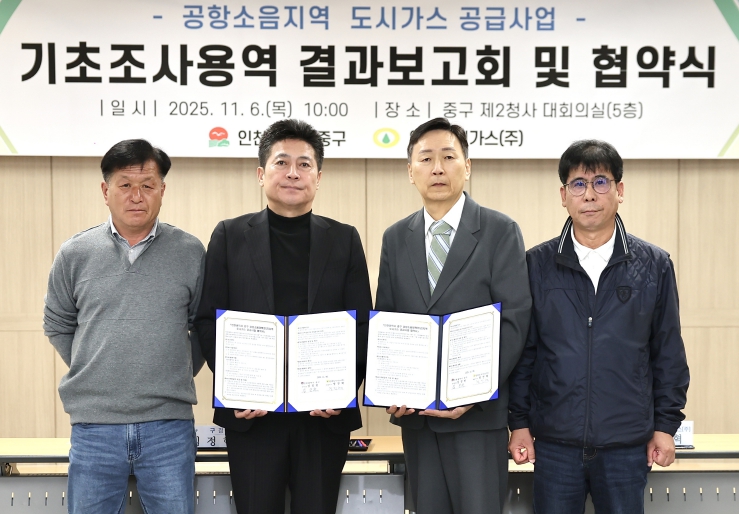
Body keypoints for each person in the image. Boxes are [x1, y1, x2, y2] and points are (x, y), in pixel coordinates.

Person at [194, 119, 372, 514]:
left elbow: (362, 324)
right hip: (253, 416)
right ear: (261, 174)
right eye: (281, 162)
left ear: (318, 177)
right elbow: (207, 321)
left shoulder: (344, 238)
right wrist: (236, 387)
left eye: (304, 164)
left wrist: (344, 387)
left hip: (323, 416)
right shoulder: (229, 235)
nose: (293, 173)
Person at [508, 140, 690, 513]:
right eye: (578, 184)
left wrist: (665, 426)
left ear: (619, 190)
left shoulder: (654, 266)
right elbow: (524, 353)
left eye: (600, 182)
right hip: (555, 444)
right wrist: (519, 422)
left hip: (626, 444)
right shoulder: (536, 265)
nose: (589, 195)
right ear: (564, 196)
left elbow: (668, 352)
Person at [375, 117, 532, 514]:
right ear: (410, 171)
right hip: (418, 419)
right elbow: (388, 320)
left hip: (477, 417)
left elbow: (514, 321)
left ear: (468, 166)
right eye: (426, 159)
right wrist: (391, 388)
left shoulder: (500, 230)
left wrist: (472, 393)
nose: (438, 168)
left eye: (448, 157)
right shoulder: (396, 237)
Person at [43, 139, 206, 513]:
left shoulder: (190, 251)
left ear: (162, 190)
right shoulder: (75, 253)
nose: (137, 196)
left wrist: (178, 369)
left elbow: (203, 325)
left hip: (169, 426)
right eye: (125, 185)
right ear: (106, 191)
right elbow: (57, 323)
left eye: (148, 185)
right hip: (94, 427)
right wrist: (92, 366)